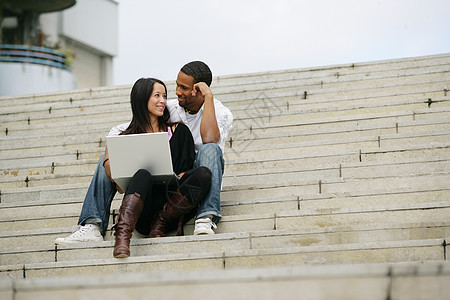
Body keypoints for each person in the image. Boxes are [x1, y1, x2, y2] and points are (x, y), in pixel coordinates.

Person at [55, 61, 233, 245]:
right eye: (176, 86)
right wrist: (111, 150)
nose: (176, 92)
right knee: (108, 158)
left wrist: (209, 97)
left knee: (209, 149)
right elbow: (135, 124)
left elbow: (211, 139)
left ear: (198, 90)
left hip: (194, 180)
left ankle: (206, 217)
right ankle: (92, 225)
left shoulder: (221, 113)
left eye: (183, 87)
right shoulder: (171, 107)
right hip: (155, 183)